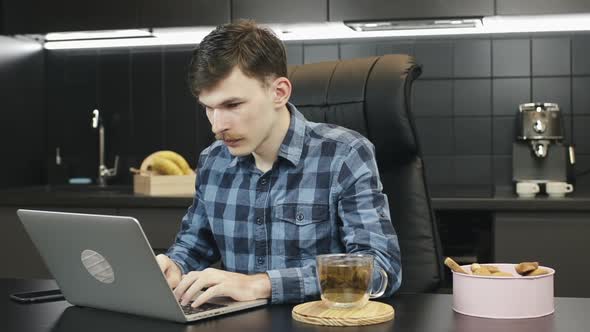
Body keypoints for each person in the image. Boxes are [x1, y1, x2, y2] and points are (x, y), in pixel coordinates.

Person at [155, 20, 401, 308]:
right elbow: (194, 246)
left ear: (279, 92)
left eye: (232, 105)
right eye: (209, 108)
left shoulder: (345, 154)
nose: (217, 126)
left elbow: (381, 270)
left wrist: (262, 284)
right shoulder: (213, 161)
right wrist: (176, 265)